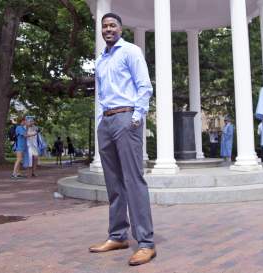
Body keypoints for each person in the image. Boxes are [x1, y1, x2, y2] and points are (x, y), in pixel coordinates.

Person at [88, 13, 156, 266]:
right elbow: (101, 95)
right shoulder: (100, 61)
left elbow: (144, 86)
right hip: (106, 122)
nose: (108, 29)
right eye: (104, 26)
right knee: (113, 182)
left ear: (120, 28)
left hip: (126, 118)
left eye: (112, 25)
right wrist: (99, 123)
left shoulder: (131, 51)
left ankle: (146, 242)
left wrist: (136, 117)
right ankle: (117, 235)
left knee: (133, 180)